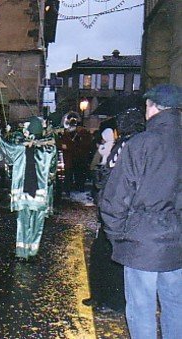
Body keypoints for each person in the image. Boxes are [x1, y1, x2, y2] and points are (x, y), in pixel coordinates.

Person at [100, 84, 181, 339]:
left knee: (141, 307)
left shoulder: (141, 143)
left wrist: (118, 236)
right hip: (178, 241)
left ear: (153, 107)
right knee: (175, 305)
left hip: (142, 241)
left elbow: (115, 197)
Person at [83, 106, 145, 313]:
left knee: (115, 258)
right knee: (101, 254)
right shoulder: (122, 144)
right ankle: (99, 295)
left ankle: (114, 301)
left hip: (124, 211)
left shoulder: (135, 145)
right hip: (111, 208)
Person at [0, 116, 57, 260]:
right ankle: (32, 251)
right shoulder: (48, 149)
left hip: (22, 192)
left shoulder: (21, 148)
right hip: (40, 194)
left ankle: (22, 252)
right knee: (37, 222)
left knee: (22, 222)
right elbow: (53, 167)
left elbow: (6, 148)